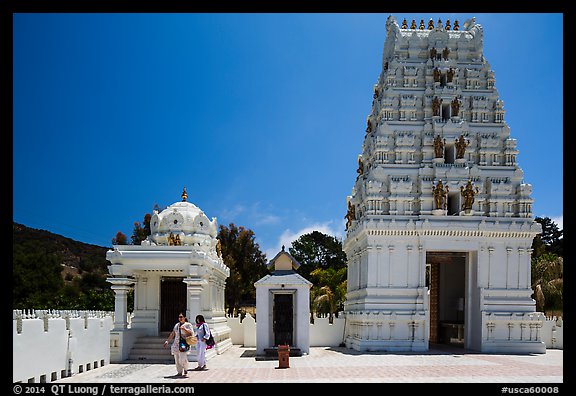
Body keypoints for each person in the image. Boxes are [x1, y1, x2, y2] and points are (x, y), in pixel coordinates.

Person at [163, 313, 194, 377]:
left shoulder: (188, 325)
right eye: (179, 317)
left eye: (181, 317)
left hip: (184, 343)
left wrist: (184, 329)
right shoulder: (177, 325)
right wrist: (167, 341)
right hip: (176, 344)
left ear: (184, 317)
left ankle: (185, 368)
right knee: (177, 359)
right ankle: (179, 372)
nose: (180, 318)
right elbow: (173, 333)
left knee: (182, 358)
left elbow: (191, 333)